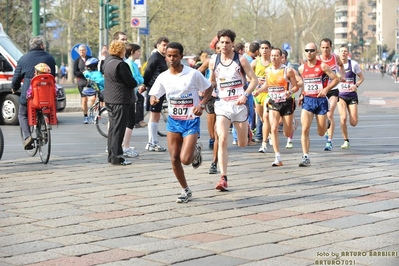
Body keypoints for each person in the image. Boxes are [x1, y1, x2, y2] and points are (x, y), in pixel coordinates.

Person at [149, 42, 213, 203]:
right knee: (174, 158)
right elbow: (154, 94)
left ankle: (195, 150)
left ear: (181, 57)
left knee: (185, 159)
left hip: (190, 121)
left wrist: (202, 103)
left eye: (175, 55)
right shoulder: (163, 77)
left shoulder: (193, 74)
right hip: (173, 121)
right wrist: (153, 98)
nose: (171, 58)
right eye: (169, 55)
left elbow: (209, 88)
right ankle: (185, 190)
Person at [208, 29, 258, 191]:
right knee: (222, 139)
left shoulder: (241, 60)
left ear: (232, 44)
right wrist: (205, 94)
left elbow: (254, 80)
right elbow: (212, 81)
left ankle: (247, 131)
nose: (224, 45)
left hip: (239, 105)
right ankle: (223, 177)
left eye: (227, 42)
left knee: (243, 143)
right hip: (222, 105)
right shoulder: (213, 60)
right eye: (221, 42)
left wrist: (245, 95)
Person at [11, 36, 56, 150]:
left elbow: (16, 77)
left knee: (22, 114)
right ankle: (44, 128)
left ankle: (27, 137)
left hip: (30, 96)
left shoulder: (23, 59)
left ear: (31, 46)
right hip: (47, 95)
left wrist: (14, 88)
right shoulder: (50, 58)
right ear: (42, 46)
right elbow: (53, 77)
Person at [298, 42, 339, 167]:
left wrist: (326, 90)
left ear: (316, 52)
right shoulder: (301, 68)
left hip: (321, 101)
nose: (309, 53)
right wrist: (301, 94)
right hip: (308, 100)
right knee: (305, 128)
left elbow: (336, 79)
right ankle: (305, 156)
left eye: (311, 50)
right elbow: (304, 84)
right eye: (307, 50)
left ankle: (326, 123)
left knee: (321, 133)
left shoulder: (323, 66)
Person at [262, 48, 299, 166]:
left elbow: (296, 87)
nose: (273, 58)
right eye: (272, 55)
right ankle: (277, 157)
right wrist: (258, 91)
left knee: (287, 133)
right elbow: (268, 84)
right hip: (274, 102)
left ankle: (292, 124)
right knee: (273, 128)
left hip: (287, 102)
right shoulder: (268, 71)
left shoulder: (288, 71)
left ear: (281, 57)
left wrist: (290, 91)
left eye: (276, 55)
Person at [103, 40, 137, 166]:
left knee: (113, 129)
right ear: (120, 50)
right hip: (120, 100)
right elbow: (131, 82)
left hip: (110, 99)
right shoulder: (121, 65)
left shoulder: (108, 62)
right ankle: (117, 157)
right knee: (119, 129)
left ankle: (111, 156)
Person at [141, 36, 170, 152]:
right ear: (158, 45)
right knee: (154, 116)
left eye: (167, 46)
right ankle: (151, 142)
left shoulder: (162, 58)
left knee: (156, 116)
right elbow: (148, 72)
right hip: (154, 90)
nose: (165, 48)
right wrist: (145, 85)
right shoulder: (155, 58)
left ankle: (153, 141)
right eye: (163, 45)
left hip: (160, 90)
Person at [318, 38, 346, 151]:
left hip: (333, 89)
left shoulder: (335, 57)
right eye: (323, 47)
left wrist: (342, 75)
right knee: (323, 116)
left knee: (330, 114)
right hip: (321, 90)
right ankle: (326, 128)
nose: (325, 50)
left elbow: (341, 66)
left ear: (331, 47)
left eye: (327, 47)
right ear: (320, 48)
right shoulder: (317, 59)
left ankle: (329, 141)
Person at [337, 45, 364, 149]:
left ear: (347, 53)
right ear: (339, 53)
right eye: (341, 51)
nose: (343, 53)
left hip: (352, 95)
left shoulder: (353, 64)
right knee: (343, 118)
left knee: (353, 123)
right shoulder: (336, 66)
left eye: (345, 51)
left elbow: (362, 77)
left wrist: (356, 85)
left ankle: (355, 116)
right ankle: (346, 140)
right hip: (341, 95)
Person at [121, 43, 144, 158]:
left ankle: (125, 144)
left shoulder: (133, 64)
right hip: (130, 94)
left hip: (133, 93)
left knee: (129, 120)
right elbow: (136, 78)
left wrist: (139, 79)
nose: (140, 53)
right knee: (130, 121)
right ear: (132, 52)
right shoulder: (129, 64)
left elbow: (140, 77)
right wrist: (139, 80)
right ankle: (125, 146)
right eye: (138, 51)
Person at [251, 40, 272, 153]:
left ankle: (265, 142)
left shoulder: (273, 62)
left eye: (266, 48)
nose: (264, 50)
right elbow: (248, 77)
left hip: (269, 94)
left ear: (270, 50)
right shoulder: (255, 62)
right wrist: (256, 80)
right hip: (257, 94)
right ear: (259, 50)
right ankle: (268, 133)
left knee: (266, 116)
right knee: (261, 118)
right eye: (262, 48)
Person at [73, 44, 93, 124]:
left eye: (83, 50)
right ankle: (85, 116)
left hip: (91, 81)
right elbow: (75, 72)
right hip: (81, 82)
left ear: (86, 50)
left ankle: (91, 113)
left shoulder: (90, 58)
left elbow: (95, 68)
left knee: (93, 98)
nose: (82, 52)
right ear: (79, 52)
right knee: (84, 100)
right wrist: (83, 73)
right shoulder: (77, 60)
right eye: (80, 50)